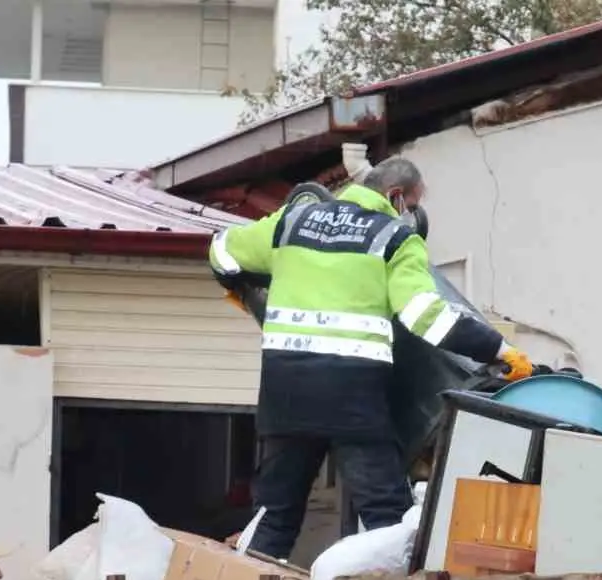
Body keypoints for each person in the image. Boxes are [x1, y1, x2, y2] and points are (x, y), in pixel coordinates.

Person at [209, 156, 535, 559]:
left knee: (274, 515)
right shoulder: (394, 238)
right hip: (352, 398)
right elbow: (425, 317)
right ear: (395, 196)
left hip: (286, 393)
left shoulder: (292, 222)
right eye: (412, 206)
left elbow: (221, 251)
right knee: (386, 517)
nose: (410, 215)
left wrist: (244, 288)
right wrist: (499, 350)